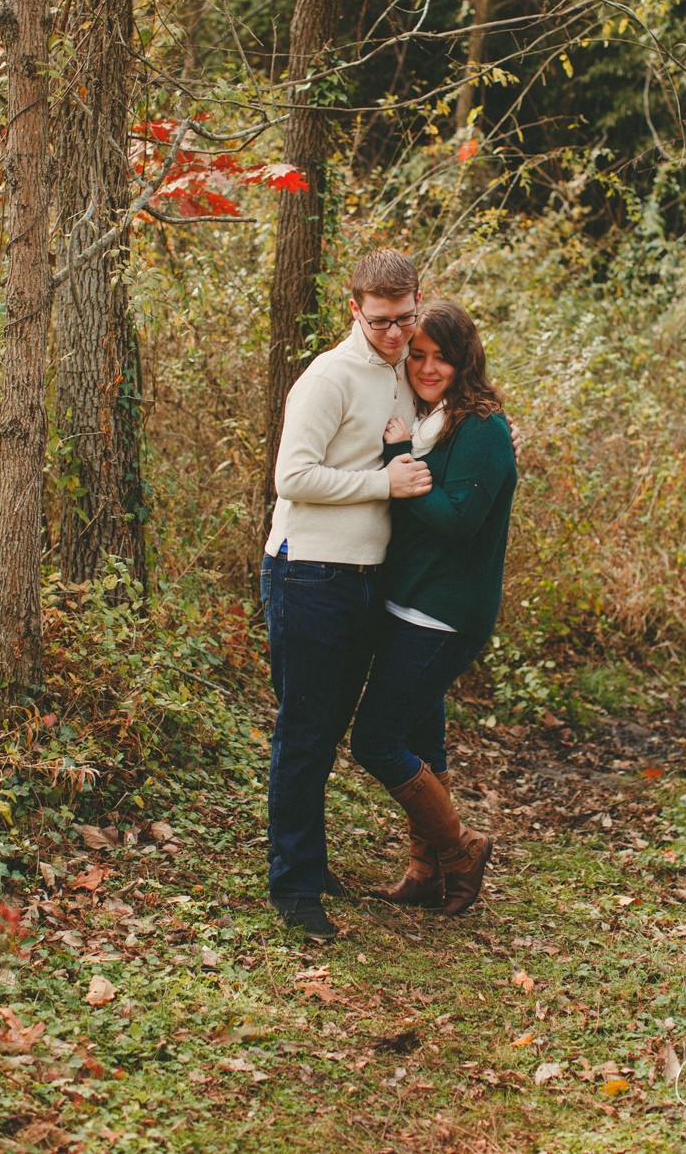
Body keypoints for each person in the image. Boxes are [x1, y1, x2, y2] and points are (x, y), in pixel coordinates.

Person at [261, 249, 433, 942]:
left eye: (406, 319)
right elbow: (292, 477)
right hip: (307, 575)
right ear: (353, 308)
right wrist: (377, 484)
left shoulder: (405, 372)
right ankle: (295, 889)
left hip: (365, 580)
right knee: (305, 733)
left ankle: (309, 862)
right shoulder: (327, 378)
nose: (396, 335)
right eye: (383, 321)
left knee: (328, 732)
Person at [350, 300, 518, 917]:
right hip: (407, 603)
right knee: (423, 738)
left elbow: (455, 521)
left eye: (439, 357)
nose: (425, 366)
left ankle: (460, 848)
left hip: (445, 614)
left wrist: (400, 462)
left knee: (374, 739)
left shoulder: (483, 427)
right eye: (416, 355)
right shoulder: (426, 418)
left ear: (463, 358)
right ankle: (425, 869)